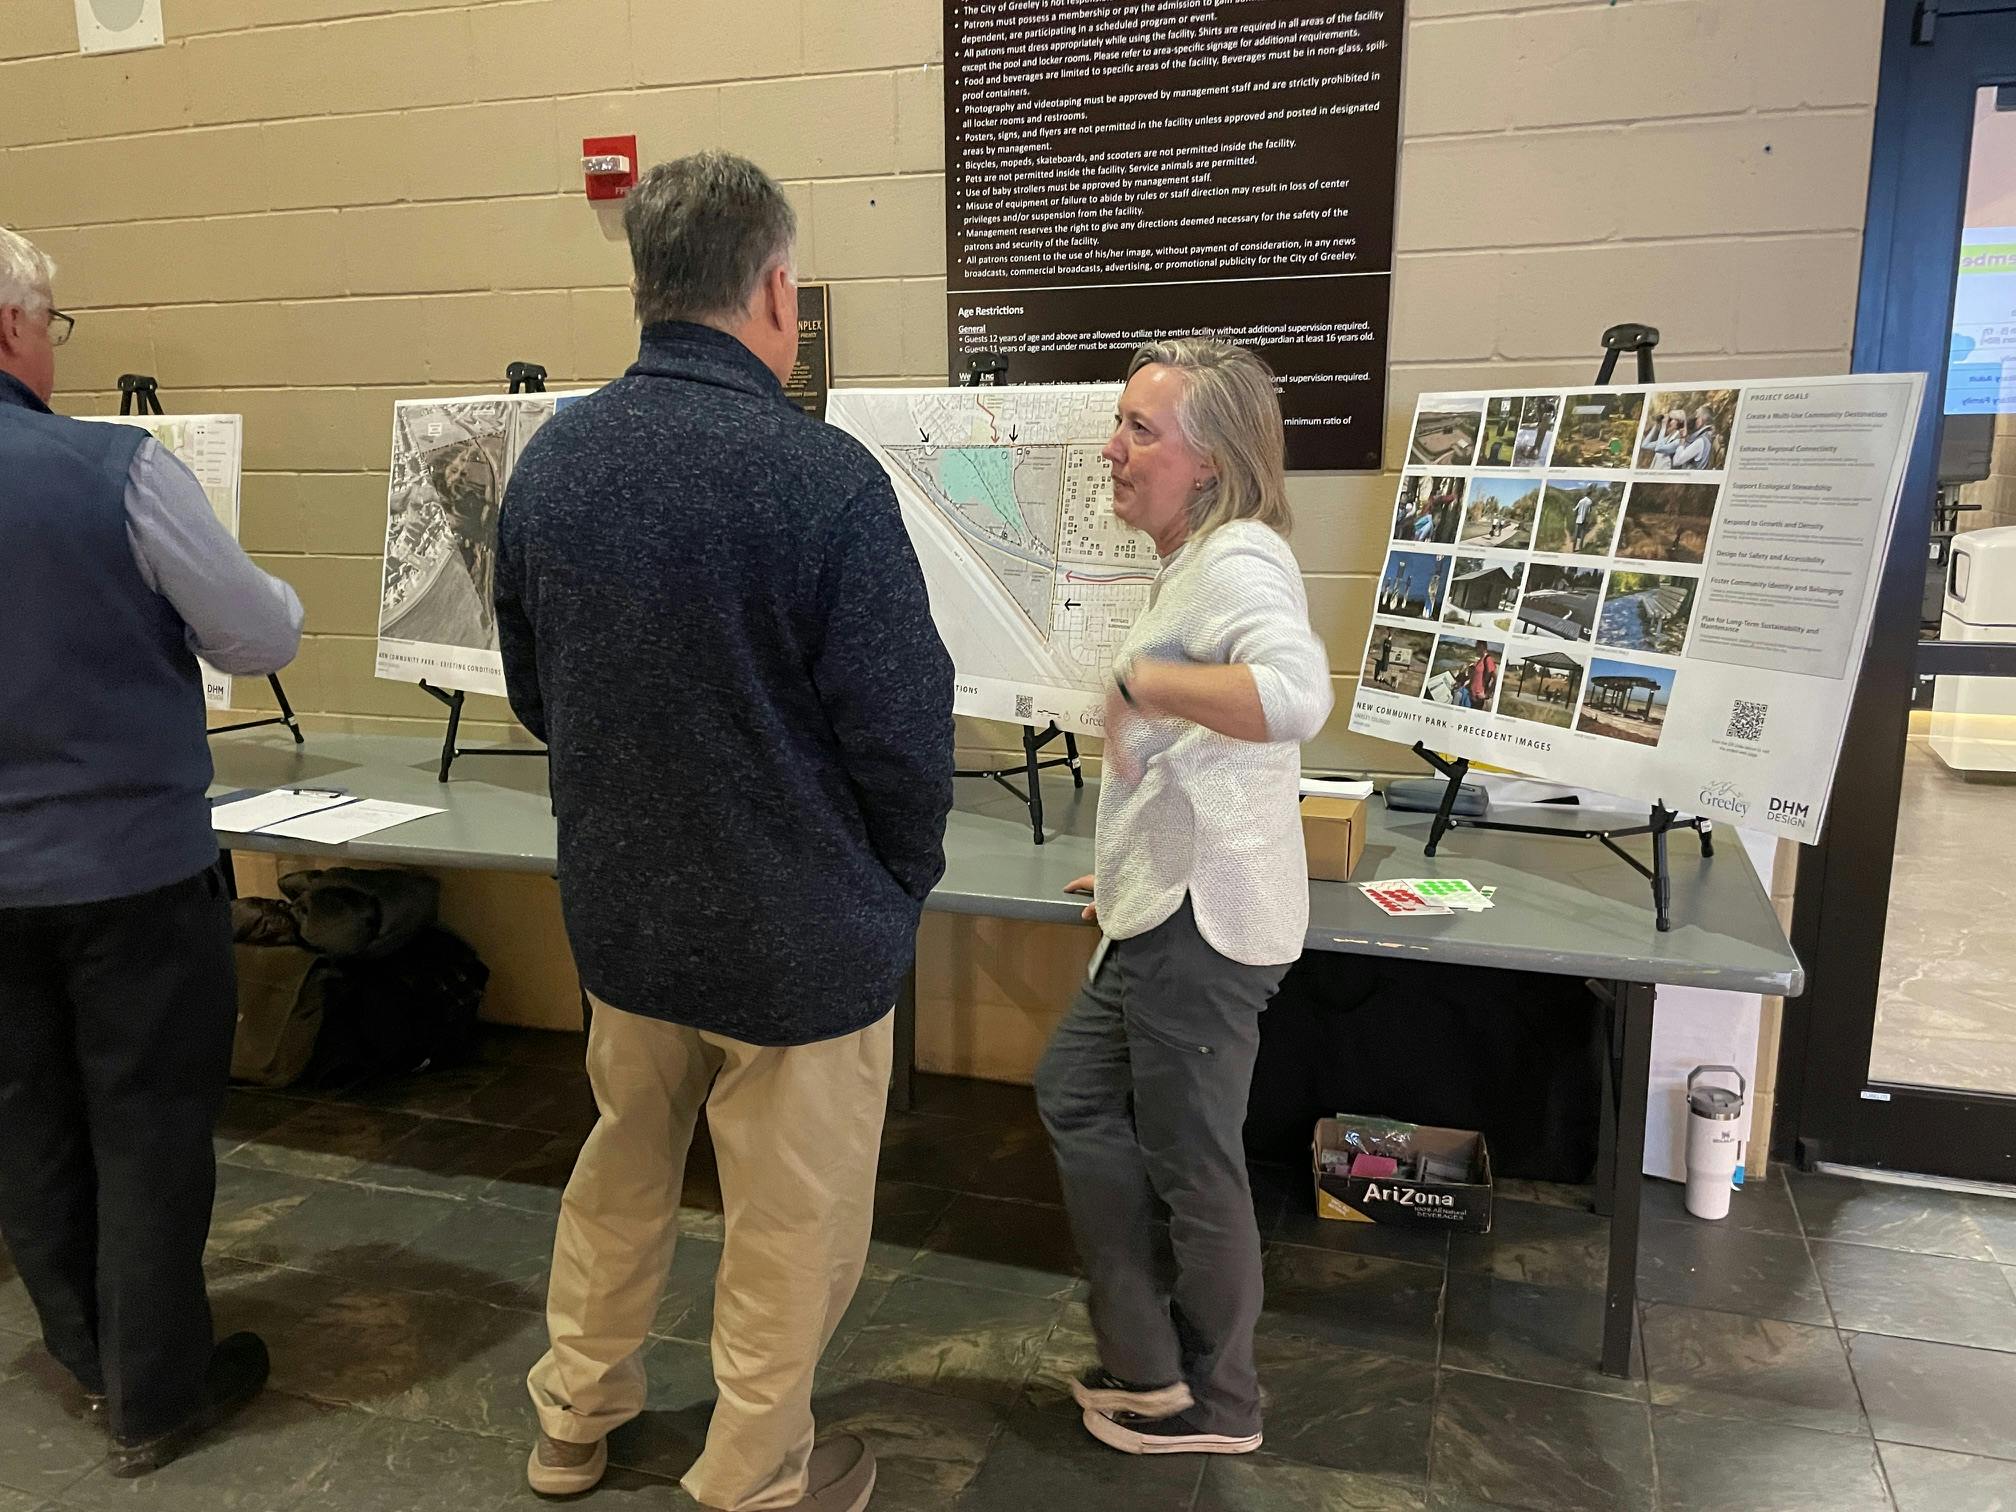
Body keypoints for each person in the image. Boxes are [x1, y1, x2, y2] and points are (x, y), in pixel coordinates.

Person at [495, 153, 955, 1510]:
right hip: (798, 942)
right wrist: (896, 883)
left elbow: (538, 696)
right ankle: (753, 1478)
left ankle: (571, 1419)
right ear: (776, 288)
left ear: (645, 286)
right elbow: (903, 738)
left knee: (620, 1168)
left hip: (625, 924)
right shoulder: (823, 483)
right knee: (789, 1227)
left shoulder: (552, 467)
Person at [0, 228, 303, 1475]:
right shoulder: (113, 470)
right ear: (14, 327)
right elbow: (256, 635)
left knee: (27, 1125)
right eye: (51, 321)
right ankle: (158, 1391)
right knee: (149, 1128)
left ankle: (83, 1351)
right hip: (131, 870)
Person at [1034, 339, 1332, 1459]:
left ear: (1209, 460)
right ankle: (1148, 1368)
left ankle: (1218, 1403)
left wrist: (1142, 680)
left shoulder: (1238, 558)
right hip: (1161, 912)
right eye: (1121, 423)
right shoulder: (1192, 557)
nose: (1113, 448)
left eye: (1140, 430)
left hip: (1204, 934)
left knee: (1195, 1170)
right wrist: (1124, 873)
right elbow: (1192, 767)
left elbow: (1296, 696)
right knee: (1074, 1092)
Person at [1673, 404, 1719, 469]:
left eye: (1697, 417)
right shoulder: (1708, 436)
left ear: (1702, 420)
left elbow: (1677, 461)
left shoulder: (1701, 441)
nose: (1694, 419)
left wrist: (1682, 440)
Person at [1467, 641, 1499, 708]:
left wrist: (1486, 694)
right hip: (1472, 696)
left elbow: (1496, 679)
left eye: (1477, 647)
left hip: (1478, 698)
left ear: (1482, 647)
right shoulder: (1480, 660)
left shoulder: (1488, 659)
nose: (1475, 649)